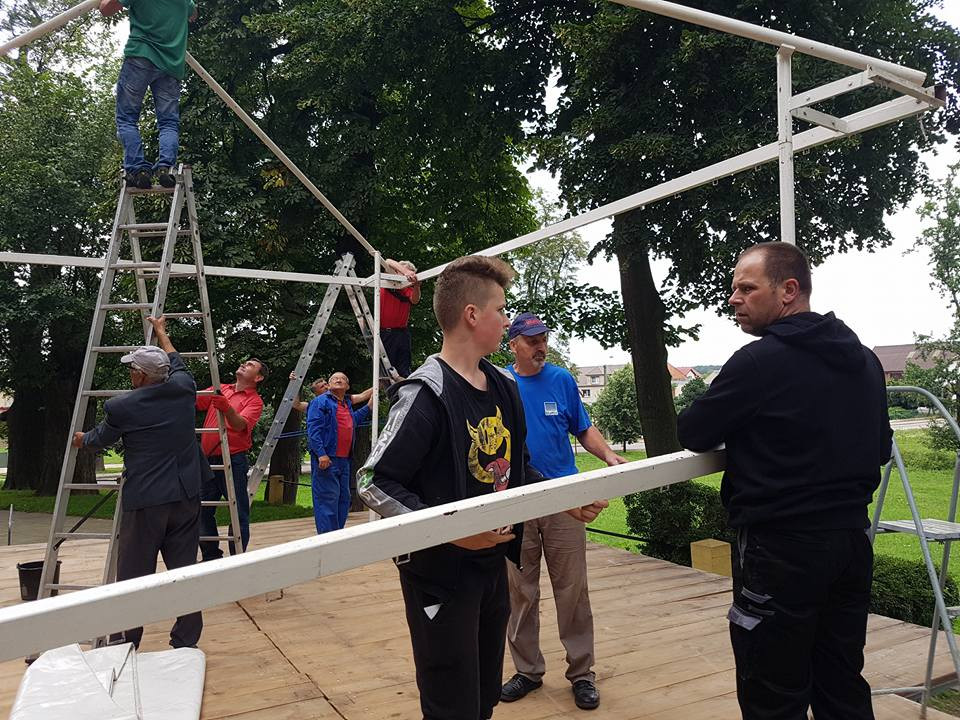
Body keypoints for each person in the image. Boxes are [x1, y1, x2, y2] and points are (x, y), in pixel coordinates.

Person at [357, 255, 608, 720]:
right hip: (440, 577)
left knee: (481, 698)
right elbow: (373, 482)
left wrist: (564, 501)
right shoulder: (425, 393)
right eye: (501, 310)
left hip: (492, 568)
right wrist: (452, 530)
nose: (507, 321)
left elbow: (518, 468)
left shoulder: (502, 386)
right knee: (451, 703)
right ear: (472, 315)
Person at [676, 242, 892, 720]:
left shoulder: (759, 362)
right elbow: (880, 449)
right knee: (842, 686)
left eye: (746, 288)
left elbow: (693, 431)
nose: (733, 298)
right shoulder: (864, 360)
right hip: (850, 546)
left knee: (773, 695)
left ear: (789, 290)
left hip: (780, 551)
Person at [500, 312, 627, 711]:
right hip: (517, 501)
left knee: (572, 590)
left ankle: (582, 673)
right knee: (520, 592)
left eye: (544, 339)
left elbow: (583, 427)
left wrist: (607, 455)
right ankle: (527, 671)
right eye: (532, 340)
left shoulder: (562, 380)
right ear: (513, 345)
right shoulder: (500, 384)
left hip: (567, 503)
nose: (541, 346)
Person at [73, 315, 205, 648]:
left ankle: (125, 641)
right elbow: (176, 361)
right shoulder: (184, 388)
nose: (130, 373)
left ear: (141, 375)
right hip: (186, 495)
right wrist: (161, 333)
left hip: (147, 500)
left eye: (132, 369)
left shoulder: (123, 406)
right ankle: (186, 640)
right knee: (185, 570)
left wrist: (82, 440)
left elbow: (101, 438)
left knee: (134, 572)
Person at [99, 0, 197, 190]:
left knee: (127, 118)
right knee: (168, 122)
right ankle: (166, 168)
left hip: (141, 58)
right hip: (171, 67)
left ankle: (138, 170)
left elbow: (106, 9)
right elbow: (193, 13)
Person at [196, 358, 266, 560]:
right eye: (245, 362)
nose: (244, 364)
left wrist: (226, 408)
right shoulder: (221, 389)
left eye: (251, 365)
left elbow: (239, 424)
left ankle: (237, 559)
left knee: (238, 511)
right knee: (201, 509)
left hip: (233, 460)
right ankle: (211, 557)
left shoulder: (254, 401)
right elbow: (194, 400)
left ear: (258, 378)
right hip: (208, 460)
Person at [306, 371, 375, 533]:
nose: (339, 379)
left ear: (347, 386)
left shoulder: (345, 404)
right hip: (327, 459)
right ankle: (327, 538)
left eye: (343, 379)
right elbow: (313, 430)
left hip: (344, 460)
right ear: (328, 385)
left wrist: (370, 405)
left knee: (343, 499)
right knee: (327, 498)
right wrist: (321, 454)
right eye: (334, 378)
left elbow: (352, 421)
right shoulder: (320, 402)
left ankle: (337, 534)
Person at [379, 258, 421, 379]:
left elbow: (415, 300)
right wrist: (406, 271)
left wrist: (416, 286)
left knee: (404, 370)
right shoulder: (387, 280)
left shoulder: (407, 289)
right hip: (386, 332)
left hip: (402, 333)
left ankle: (404, 387)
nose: (408, 277)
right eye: (403, 272)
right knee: (385, 372)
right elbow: (388, 261)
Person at [290, 371, 373, 413]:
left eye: (326, 384)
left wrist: (378, 384)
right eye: (322, 387)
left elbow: (363, 395)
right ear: (316, 393)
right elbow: (296, 404)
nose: (326, 387)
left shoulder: (345, 399)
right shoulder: (314, 405)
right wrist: (294, 383)